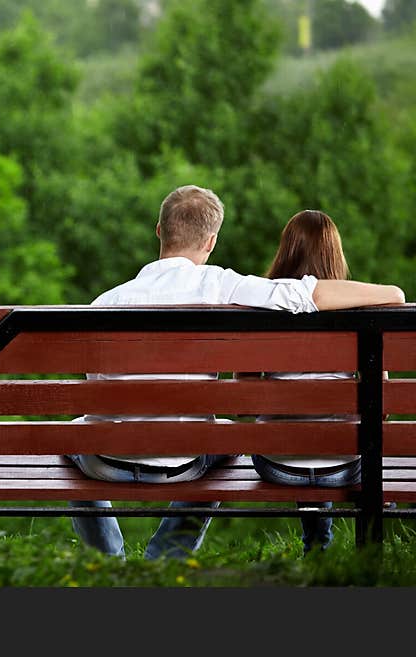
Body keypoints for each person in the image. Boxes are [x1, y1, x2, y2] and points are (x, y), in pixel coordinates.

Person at [69, 186, 405, 561]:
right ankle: (167, 555)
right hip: (187, 463)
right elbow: (302, 296)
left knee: (71, 434)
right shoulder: (222, 285)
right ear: (211, 241)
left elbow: (93, 385)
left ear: (159, 230)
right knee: (227, 436)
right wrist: (392, 291)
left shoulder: (105, 303)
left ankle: (105, 557)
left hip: (107, 462)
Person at [248, 210, 367, 554]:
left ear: (286, 251)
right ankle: (324, 549)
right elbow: (384, 406)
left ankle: (317, 545)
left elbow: (245, 397)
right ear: (335, 254)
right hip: (346, 467)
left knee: (293, 432)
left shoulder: (263, 308)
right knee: (331, 436)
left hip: (276, 465)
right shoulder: (358, 311)